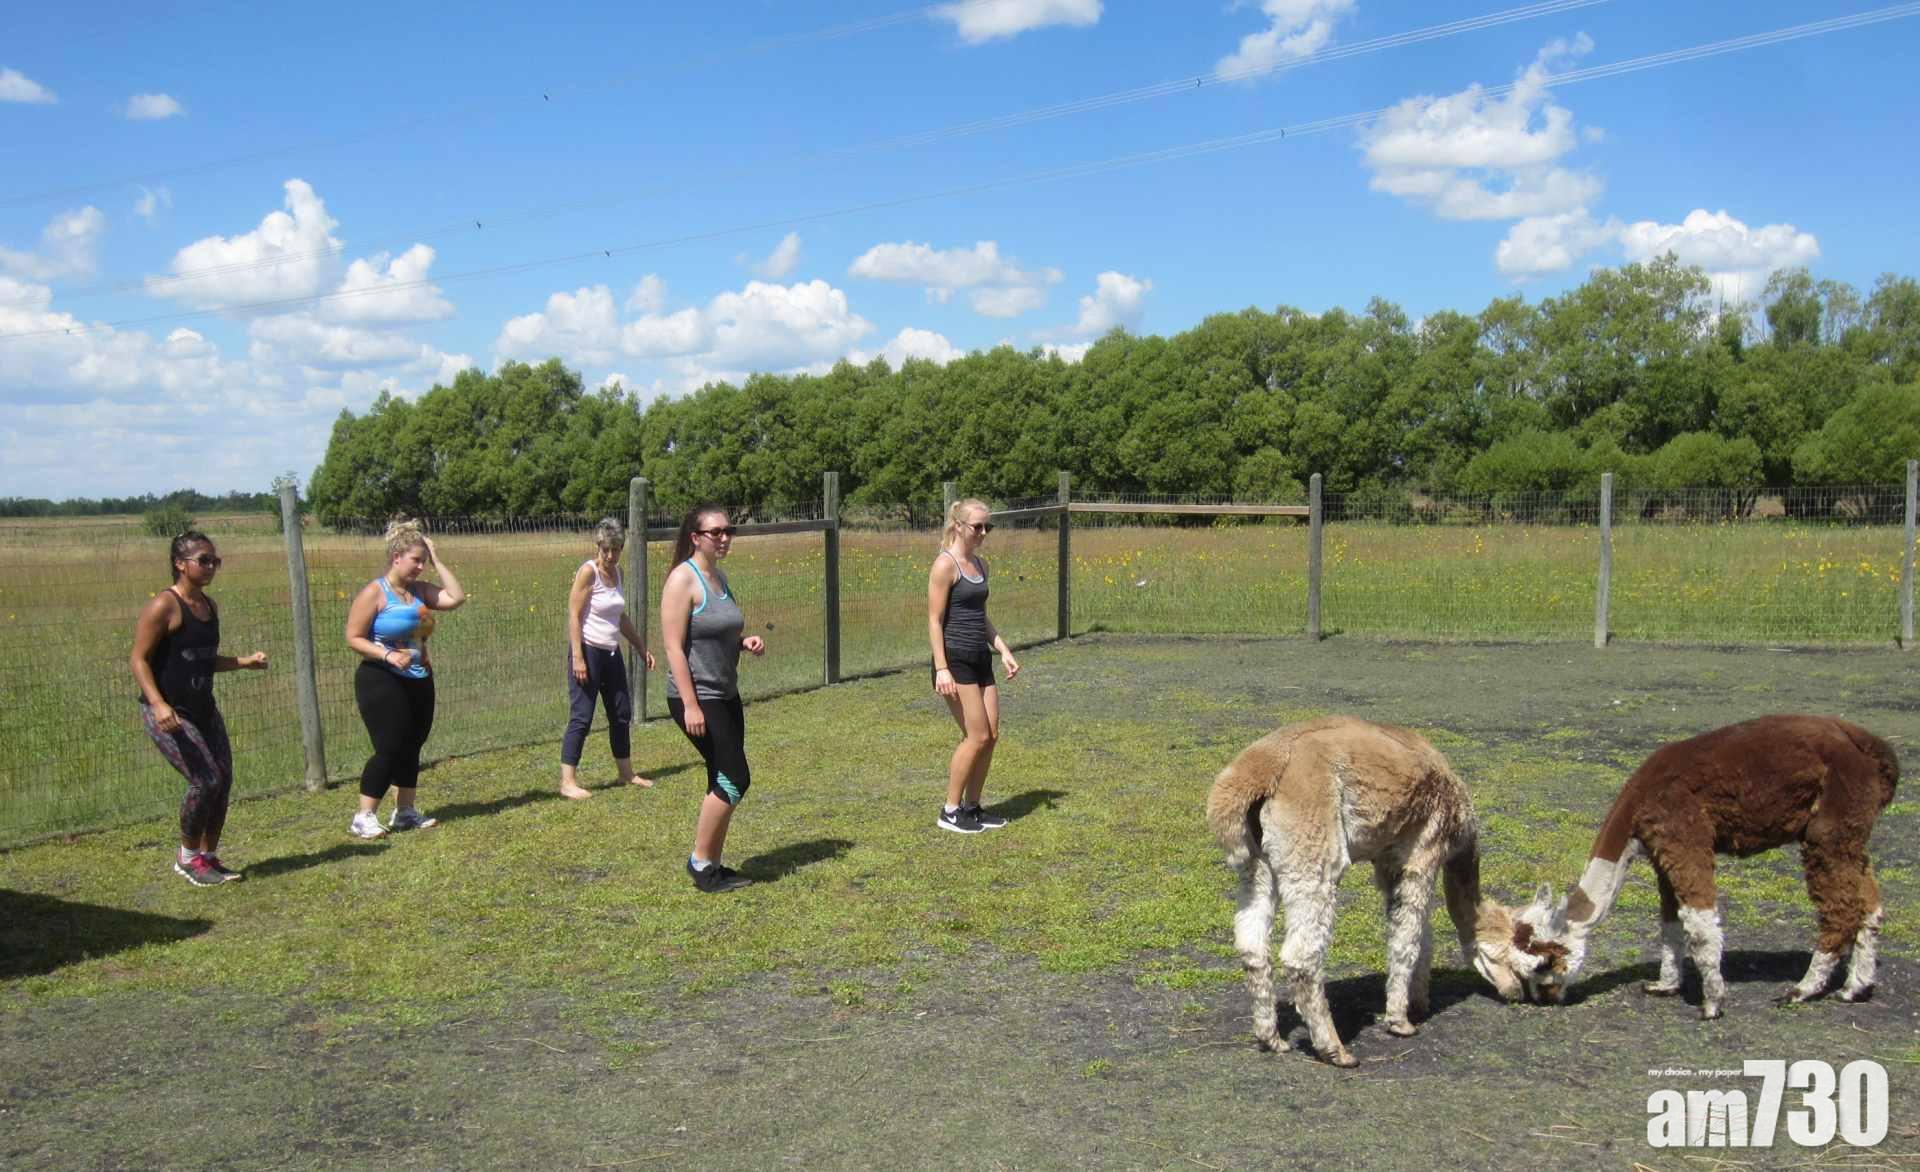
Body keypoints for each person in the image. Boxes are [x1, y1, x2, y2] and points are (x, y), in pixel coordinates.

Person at [129, 531, 269, 885]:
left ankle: (208, 856)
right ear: (180, 564)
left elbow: (200, 660)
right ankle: (187, 858)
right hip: (169, 712)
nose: (211, 567)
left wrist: (243, 662)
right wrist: (159, 705)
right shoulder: (164, 605)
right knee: (205, 780)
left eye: (214, 561)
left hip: (204, 708)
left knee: (222, 781)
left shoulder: (209, 606)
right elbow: (139, 659)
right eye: (203, 560)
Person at [660, 504, 765, 892]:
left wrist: (743, 642)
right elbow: (673, 648)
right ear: (695, 537)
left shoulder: (718, 577)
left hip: (725, 692)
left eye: (728, 531)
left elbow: (716, 633)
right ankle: (700, 862)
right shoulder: (682, 581)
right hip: (698, 696)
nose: (724, 538)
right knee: (735, 777)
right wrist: (690, 704)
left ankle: (715, 863)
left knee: (721, 776)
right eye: (716, 532)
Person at [343, 517, 466, 838]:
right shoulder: (376, 592)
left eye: (424, 561)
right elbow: (353, 637)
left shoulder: (420, 592)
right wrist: (386, 654)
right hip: (381, 678)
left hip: (419, 678)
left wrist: (438, 560)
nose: (420, 567)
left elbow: (456, 598)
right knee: (390, 745)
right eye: (416, 560)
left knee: (413, 744)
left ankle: (405, 812)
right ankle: (364, 815)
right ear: (396, 557)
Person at [927, 498, 1020, 833]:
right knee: (976, 735)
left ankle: (972, 807)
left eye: (988, 527)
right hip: (955, 660)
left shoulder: (981, 565)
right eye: (978, 526)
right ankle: (949, 811)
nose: (983, 532)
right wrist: (942, 669)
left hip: (981, 658)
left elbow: (981, 617)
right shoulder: (944, 565)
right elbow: (935, 621)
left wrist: (1003, 649)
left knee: (991, 735)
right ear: (958, 526)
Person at [560, 517, 657, 799]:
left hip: (612, 652)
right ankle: (568, 781)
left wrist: (640, 646)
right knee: (582, 716)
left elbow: (620, 616)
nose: (612, 556)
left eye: (617, 550)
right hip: (588, 652)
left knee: (621, 713)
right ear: (598, 546)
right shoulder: (587, 573)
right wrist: (578, 657)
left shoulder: (619, 574)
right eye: (607, 550)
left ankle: (626, 773)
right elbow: (574, 615)